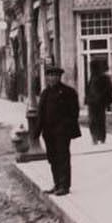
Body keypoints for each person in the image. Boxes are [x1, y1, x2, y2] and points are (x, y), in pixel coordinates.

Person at [32, 67, 81, 195]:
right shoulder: (45, 93)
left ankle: (65, 186)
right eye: (49, 76)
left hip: (62, 132)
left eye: (55, 76)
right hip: (48, 132)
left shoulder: (68, 92)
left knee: (63, 157)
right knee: (52, 158)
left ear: (59, 77)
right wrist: (36, 132)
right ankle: (57, 184)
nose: (52, 78)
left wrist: (66, 127)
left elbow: (74, 112)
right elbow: (41, 114)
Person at [83, 64, 112, 144]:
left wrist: (105, 100)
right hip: (94, 102)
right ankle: (96, 137)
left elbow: (108, 90)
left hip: (99, 102)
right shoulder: (94, 77)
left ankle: (99, 137)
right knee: (95, 120)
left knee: (98, 120)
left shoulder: (102, 78)